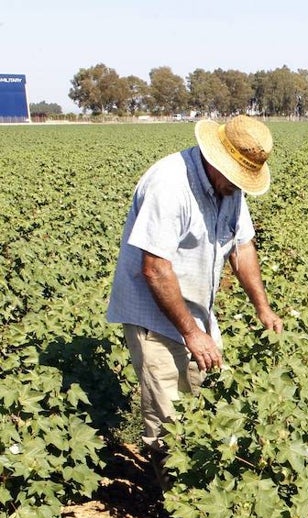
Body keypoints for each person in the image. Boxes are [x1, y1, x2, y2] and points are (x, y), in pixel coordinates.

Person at [107, 115, 283, 484]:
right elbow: (154, 269)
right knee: (167, 415)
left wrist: (262, 307)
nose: (238, 187)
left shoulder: (229, 189)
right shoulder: (170, 184)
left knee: (207, 398)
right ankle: (176, 504)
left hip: (197, 311)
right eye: (235, 178)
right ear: (217, 160)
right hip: (153, 315)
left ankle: (208, 487)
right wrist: (191, 333)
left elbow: (242, 247)